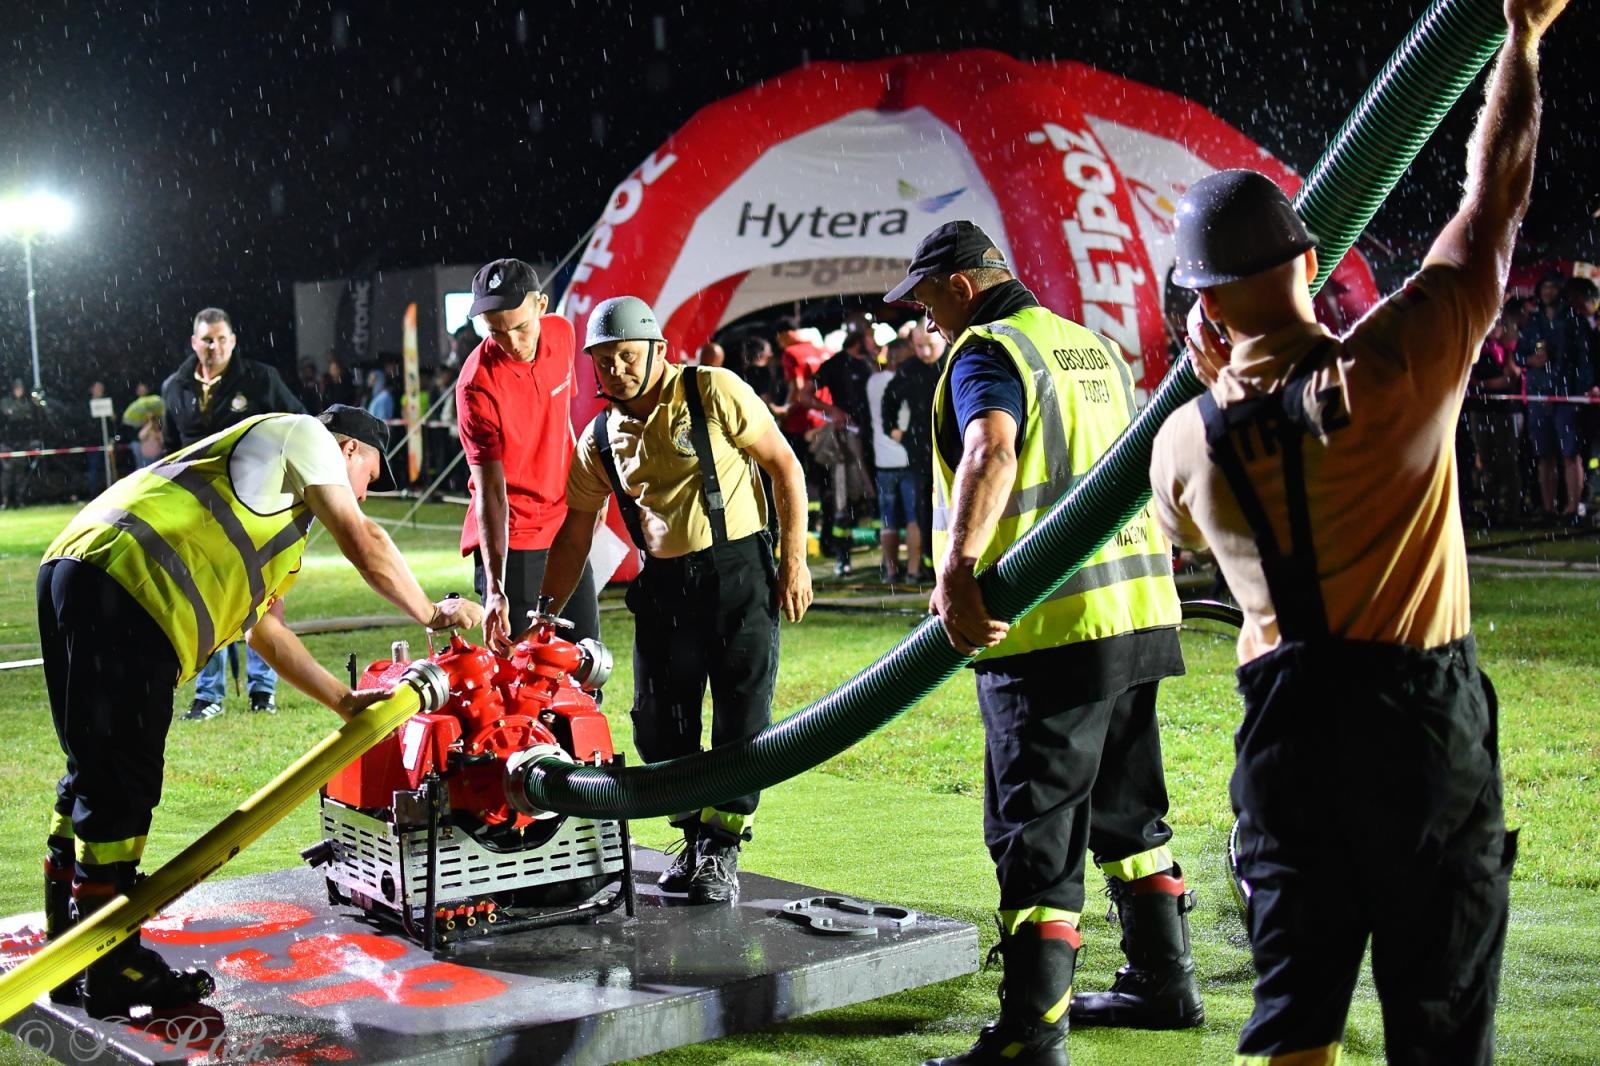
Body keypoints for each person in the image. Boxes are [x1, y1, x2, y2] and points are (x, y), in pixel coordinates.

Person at [1148, 4, 1565, 1059]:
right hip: (1419, 728)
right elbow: (1493, 202)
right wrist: (1517, 42)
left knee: (1296, 1006)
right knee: (1439, 1006)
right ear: (1311, 258)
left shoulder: (1180, 448)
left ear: (1198, 312)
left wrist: (1227, 375)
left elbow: (1197, 531)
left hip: (1285, 733)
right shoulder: (1398, 369)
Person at [38, 404, 482, 1018]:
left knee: (92, 769)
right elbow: (366, 540)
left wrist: (342, 698)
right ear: (350, 448)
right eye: (372, 473)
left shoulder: (275, 514)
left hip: (79, 570)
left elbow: (265, 633)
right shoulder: (305, 436)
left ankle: (68, 951)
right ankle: (114, 964)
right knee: (121, 785)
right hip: (130, 588)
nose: (367, 491)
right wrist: (433, 613)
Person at [896, 220, 1194, 1066]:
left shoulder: (989, 348)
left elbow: (990, 450)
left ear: (958, 283)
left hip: (1049, 630)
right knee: (1132, 815)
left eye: (923, 299)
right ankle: (1162, 981)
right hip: (1135, 613)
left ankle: (1032, 1033)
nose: (922, 318)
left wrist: (956, 571)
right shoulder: (1086, 347)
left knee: (1037, 832)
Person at [541, 296, 812, 905]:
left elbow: (785, 468)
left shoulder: (713, 390)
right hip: (663, 587)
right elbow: (575, 531)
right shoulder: (601, 436)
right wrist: (545, 616)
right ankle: (692, 833)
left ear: (659, 350)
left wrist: (794, 563)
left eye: (627, 356)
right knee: (659, 725)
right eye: (604, 361)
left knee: (741, 720)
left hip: (737, 572)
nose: (616, 370)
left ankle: (722, 846)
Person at [161, 307, 305, 719]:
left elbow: (300, 425)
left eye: (222, 338)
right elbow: (170, 454)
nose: (215, 346)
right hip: (196, 516)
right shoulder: (174, 387)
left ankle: (264, 690)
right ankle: (209, 695)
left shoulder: (261, 380)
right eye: (207, 339)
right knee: (203, 602)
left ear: (233, 340)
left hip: (255, 510)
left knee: (261, 597)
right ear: (194, 342)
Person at [455, 258, 601, 654]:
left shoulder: (563, 333)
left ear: (542, 305)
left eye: (520, 327)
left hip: (565, 528)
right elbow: (490, 493)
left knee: (585, 661)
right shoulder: (476, 386)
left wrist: (585, 493)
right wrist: (496, 590)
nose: (512, 342)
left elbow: (563, 422)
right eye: (497, 332)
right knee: (523, 675)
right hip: (515, 542)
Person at [1517, 268, 1592, 523]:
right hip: (1539, 395)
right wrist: (1530, 360)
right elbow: (1518, 355)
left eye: (1553, 286)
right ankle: (1548, 509)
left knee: (1571, 454)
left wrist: (1581, 389)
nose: (1548, 290)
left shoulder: (1574, 320)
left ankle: (1572, 509)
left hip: (1566, 395)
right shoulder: (1533, 323)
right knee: (1544, 454)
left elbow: (1585, 359)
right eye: (1544, 286)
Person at [867, 337, 924, 583]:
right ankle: (913, 570)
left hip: (883, 460)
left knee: (888, 519)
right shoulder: (906, 381)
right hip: (908, 458)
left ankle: (890, 571)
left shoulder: (873, 381)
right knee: (914, 518)